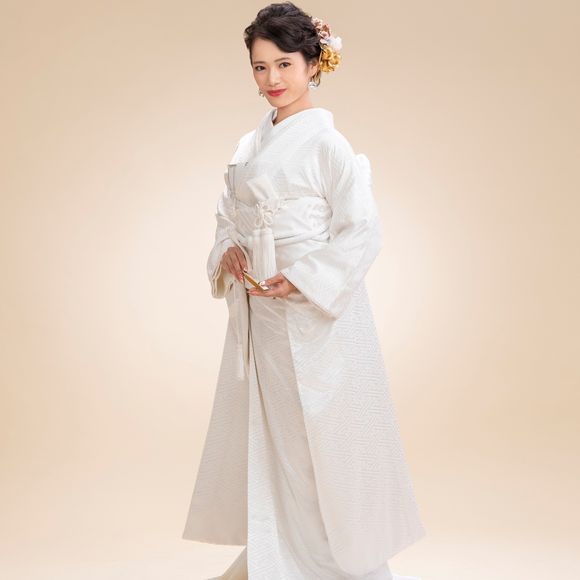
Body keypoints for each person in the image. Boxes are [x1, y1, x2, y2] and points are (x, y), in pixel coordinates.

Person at [182, 3, 427, 579]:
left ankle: (328, 564)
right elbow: (226, 216)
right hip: (263, 315)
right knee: (276, 442)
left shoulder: (328, 146)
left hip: (315, 315)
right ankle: (279, 556)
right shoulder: (249, 144)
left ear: (314, 64)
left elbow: (361, 229)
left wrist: (301, 277)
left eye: (284, 64)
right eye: (260, 66)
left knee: (325, 443)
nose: (272, 79)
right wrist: (229, 249)